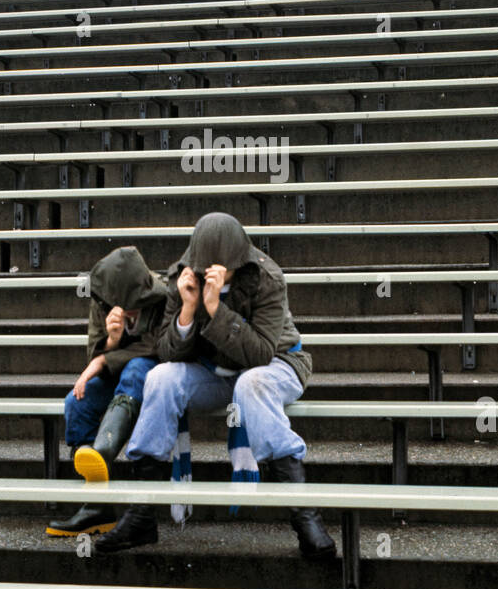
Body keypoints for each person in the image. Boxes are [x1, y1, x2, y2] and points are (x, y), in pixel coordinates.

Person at [93, 213, 335, 560]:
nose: (210, 273)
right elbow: (165, 351)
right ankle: (141, 513)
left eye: (220, 269)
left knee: (251, 383)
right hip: (214, 372)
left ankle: (304, 516)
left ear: (238, 262)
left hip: (276, 365)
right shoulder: (182, 275)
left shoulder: (267, 277)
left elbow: (260, 353)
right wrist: (187, 312)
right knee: (160, 378)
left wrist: (215, 308)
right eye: (203, 267)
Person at [46, 247, 169, 538]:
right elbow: (94, 350)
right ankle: (95, 504)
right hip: (116, 374)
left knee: (136, 368)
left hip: (148, 376)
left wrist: (105, 359)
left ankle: (102, 452)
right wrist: (111, 343)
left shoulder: (163, 298)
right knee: (77, 400)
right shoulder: (103, 301)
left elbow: (161, 346)